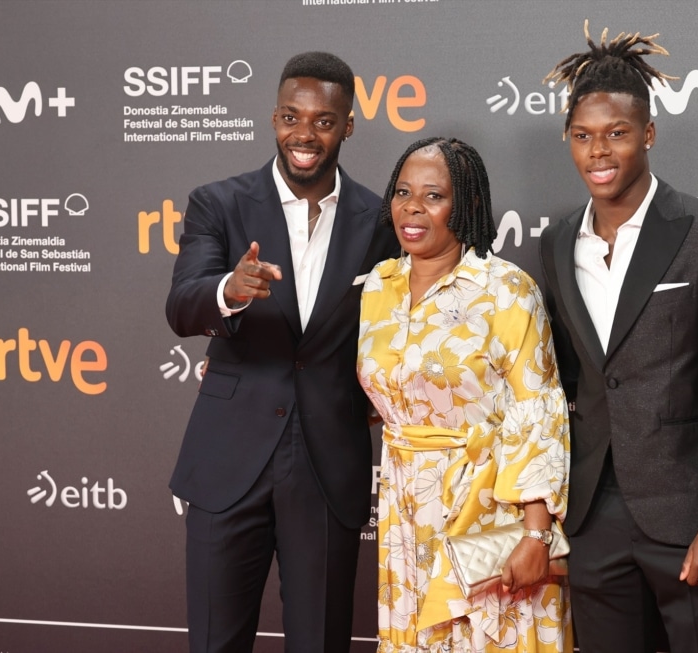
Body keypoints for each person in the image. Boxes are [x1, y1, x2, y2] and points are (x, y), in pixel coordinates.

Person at [539, 23, 698, 653]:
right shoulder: (557, 241)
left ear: (648, 134)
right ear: (567, 140)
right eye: (583, 137)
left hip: (689, 513)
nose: (598, 152)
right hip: (592, 519)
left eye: (616, 134)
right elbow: (568, 379)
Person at [165, 51, 400, 653]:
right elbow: (182, 306)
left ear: (348, 126)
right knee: (217, 641)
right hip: (228, 458)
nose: (305, 134)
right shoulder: (218, 203)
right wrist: (229, 290)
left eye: (324, 121)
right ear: (274, 119)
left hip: (327, 462)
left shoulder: (380, 220)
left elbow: (393, 328)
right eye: (292, 117)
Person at [357, 137, 573, 652]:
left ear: (467, 205)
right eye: (403, 192)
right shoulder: (378, 285)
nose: (413, 207)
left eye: (433, 196)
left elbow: (537, 412)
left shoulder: (505, 289)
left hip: (487, 506)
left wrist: (535, 535)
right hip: (405, 508)